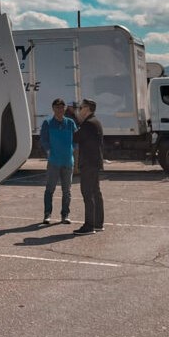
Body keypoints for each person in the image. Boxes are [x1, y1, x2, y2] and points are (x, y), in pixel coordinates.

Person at [40, 97, 78, 224]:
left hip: (68, 162)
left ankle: (65, 215)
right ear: (53, 109)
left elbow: (77, 139)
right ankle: (47, 214)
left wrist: (72, 149)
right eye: (57, 107)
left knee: (66, 190)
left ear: (64, 108)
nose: (60, 110)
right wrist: (49, 151)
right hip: (54, 162)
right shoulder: (48, 123)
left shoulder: (70, 123)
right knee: (50, 189)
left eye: (62, 107)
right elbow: (44, 139)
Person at [72, 98, 104, 235]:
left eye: (81, 107)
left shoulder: (89, 124)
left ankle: (89, 225)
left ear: (88, 109)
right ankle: (97, 223)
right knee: (95, 192)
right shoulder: (94, 121)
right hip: (94, 162)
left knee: (88, 193)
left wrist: (74, 116)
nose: (79, 109)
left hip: (89, 163)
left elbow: (75, 137)